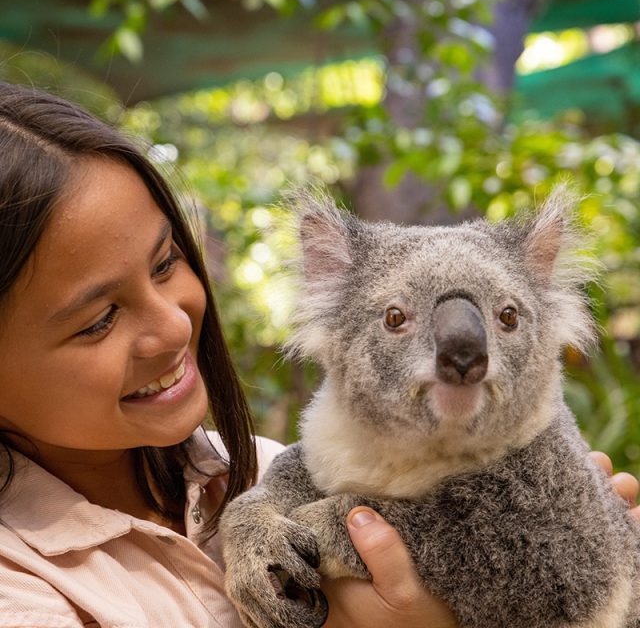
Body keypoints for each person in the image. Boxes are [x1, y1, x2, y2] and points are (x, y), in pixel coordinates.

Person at [0, 82, 636, 628]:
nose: (172, 327)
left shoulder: (257, 469)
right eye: (98, 318)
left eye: (167, 264)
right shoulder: (21, 594)